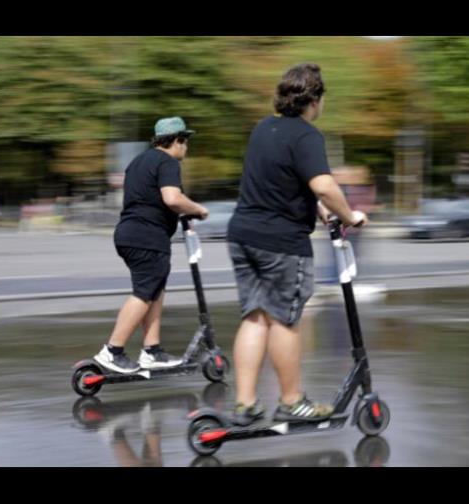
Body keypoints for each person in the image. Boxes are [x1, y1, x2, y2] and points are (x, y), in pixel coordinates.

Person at [225, 63, 368, 426]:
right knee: (286, 321)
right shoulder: (306, 135)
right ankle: (291, 402)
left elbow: (281, 182)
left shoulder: (263, 129)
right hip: (281, 243)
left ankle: (245, 404)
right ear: (314, 100)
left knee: (255, 317)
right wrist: (349, 215)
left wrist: (318, 210)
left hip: (243, 234)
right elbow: (322, 184)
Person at [94, 117, 209, 374]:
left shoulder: (138, 162)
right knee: (144, 292)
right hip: (147, 237)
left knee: (154, 289)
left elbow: (148, 197)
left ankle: (152, 350)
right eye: (185, 141)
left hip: (129, 233)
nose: (186, 148)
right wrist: (198, 209)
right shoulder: (167, 161)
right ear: (176, 140)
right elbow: (172, 198)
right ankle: (112, 351)